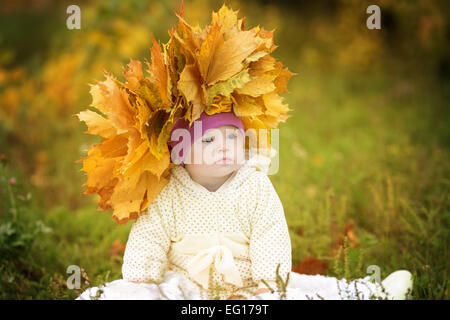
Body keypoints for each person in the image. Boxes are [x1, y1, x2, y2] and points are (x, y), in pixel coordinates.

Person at [76, 111, 413, 300]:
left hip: (250, 286)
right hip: (185, 287)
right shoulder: (169, 192)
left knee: (297, 291)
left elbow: (271, 232)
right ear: (180, 151)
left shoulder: (253, 185)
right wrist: (142, 279)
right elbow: (149, 234)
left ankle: (369, 292)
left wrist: (269, 280)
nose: (224, 146)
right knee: (133, 297)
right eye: (208, 139)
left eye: (233, 137)